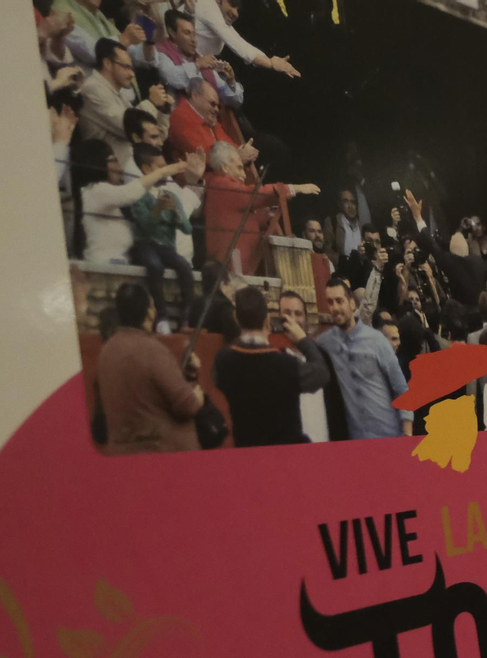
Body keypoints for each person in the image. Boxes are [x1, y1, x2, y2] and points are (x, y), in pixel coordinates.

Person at [212, 287, 331, 447]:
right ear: (267, 320)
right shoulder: (285, 364)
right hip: (287, 454)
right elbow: (321, 374)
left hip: (248, 452)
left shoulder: (223, 361)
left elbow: (220, 379)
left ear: (236, 318)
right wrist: (303, 340)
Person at [97, 282, 203, 455]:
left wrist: (188, 374)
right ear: (149, 313)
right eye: (153, 307)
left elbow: (148, 392)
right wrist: (196, 396)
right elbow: (187, 405)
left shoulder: (107, 350)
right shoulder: (151, 350)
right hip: (161, 453)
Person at [315, 277, 413, 439]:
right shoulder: (325, 343)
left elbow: (401, 388)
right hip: (355, 443)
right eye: (330, 302)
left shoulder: (377, 340)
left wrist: (407, 433)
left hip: (388, 435)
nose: (335, 307)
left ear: (352, 303)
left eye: (339, 301)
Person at [202, 142, 319, 276]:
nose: (244, 175)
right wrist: (295, 188)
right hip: (232, 264)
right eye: (239, 168)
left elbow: (242, 218)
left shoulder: (222, 186)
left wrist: (267, 215)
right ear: (225, 167)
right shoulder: (221, 185)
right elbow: (255, 195)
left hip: (238, 261)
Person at [73, 137, 189, 263]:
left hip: (119, 263)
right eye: (114, 160)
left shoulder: (107, 195)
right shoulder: (94, 191)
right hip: (103, 265)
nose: (120, 167)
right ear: (96, 163)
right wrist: (164, 171)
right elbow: (130, 193)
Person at [128, 144, 205, 328]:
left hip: (166, 248)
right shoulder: (139, 194)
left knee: (185, 267)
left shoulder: (171, 193)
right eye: (161, 167)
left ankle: (187, 319)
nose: (167, 172)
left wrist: (178, 214)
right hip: (146, 245)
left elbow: (187, 229)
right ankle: (161, 317)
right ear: (146, 169)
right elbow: (144, 229)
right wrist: (158, 209)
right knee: (154, 266)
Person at [277, 289, 340, 444]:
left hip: (325, 445)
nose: (293, 319)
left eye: (298, 314)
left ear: (305, 318)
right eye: (287, 313)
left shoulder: (322, 356)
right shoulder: (276, 360)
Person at [155, 10, 245, 110]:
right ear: (172, 33)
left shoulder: (200, 59)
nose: (193, 40)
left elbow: (235, 102)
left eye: (194, 34)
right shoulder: (162, 53)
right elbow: (173, 78)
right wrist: (197, 65)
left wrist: (231, 81)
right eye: (187, 33)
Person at [192, 0, 301, 78]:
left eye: (238, 10)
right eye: (232, 4)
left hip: (197, 65)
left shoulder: (222, 19)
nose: (235, 13)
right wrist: (270, 63)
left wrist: (269, 59)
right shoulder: (207, 6)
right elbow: (237, 44)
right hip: (182, 60)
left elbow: (238, 39)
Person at [79, 39, 140, 166]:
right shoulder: (93, 88)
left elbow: (150, 132)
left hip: (129, 164)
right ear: (108, 63)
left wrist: (162, 111)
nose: (132, 74)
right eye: (126, 67)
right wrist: (152, 104)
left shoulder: (117, 93)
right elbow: (129, 127)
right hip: (110, 170)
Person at [168, 78, 254, 163]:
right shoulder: (180, 116)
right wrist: (237, 156)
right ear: (195, 96)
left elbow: (229, 146)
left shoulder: (210, 119)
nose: (216, 109)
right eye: (212, 104)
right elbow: (202, 155)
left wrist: (244, 152)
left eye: (218, 106)